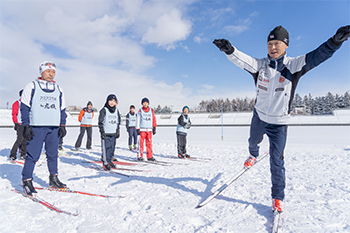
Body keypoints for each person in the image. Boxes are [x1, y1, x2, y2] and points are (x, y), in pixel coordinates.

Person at [213, 25, 350, 213]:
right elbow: (242, 59)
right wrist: (229, 50)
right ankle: (253, 155)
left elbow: (317, 55)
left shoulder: (293, 65)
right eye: (270, 43)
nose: (272, 47)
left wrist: (335, 42)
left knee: (277, 161)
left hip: (279, 123)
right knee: (253, 141)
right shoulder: (260, 65)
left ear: (286, 45)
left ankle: (277, 197)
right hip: (259, 117)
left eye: (277, 43)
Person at [20, 61, 67, 195]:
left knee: (53, 155)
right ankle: (27, 180)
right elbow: (24, 107)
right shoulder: (32, 86)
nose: (51, 74)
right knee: (32, 155)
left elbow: (62, 108)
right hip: (37, 126)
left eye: (53, 72)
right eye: (48, 71)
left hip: (53, 127)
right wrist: (26, 125)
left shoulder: (58, 88)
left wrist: (62, 125)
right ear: (41, 72)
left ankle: (53, 178)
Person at [98, 94, 121, 171]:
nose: (112, 102)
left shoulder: (117, 110)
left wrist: (117, 130)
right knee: (106, 149)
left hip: (113, 133)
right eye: (110, 100)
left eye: (114, 101)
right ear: (107, 101)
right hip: (106, 133)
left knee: (111, 149)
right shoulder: (104, 110)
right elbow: (100, 122)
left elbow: (118, 121)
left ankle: (109, 160)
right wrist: (102, 132)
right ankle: (105, 163)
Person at [9, 89, 27, 160]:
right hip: (19, 124)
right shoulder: (17, 103)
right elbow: (14, 114)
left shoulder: (28, 103)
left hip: (26, 124)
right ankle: (12, 154)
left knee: (25, 140)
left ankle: (23, 154)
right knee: (20, 139)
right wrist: (15, 123)